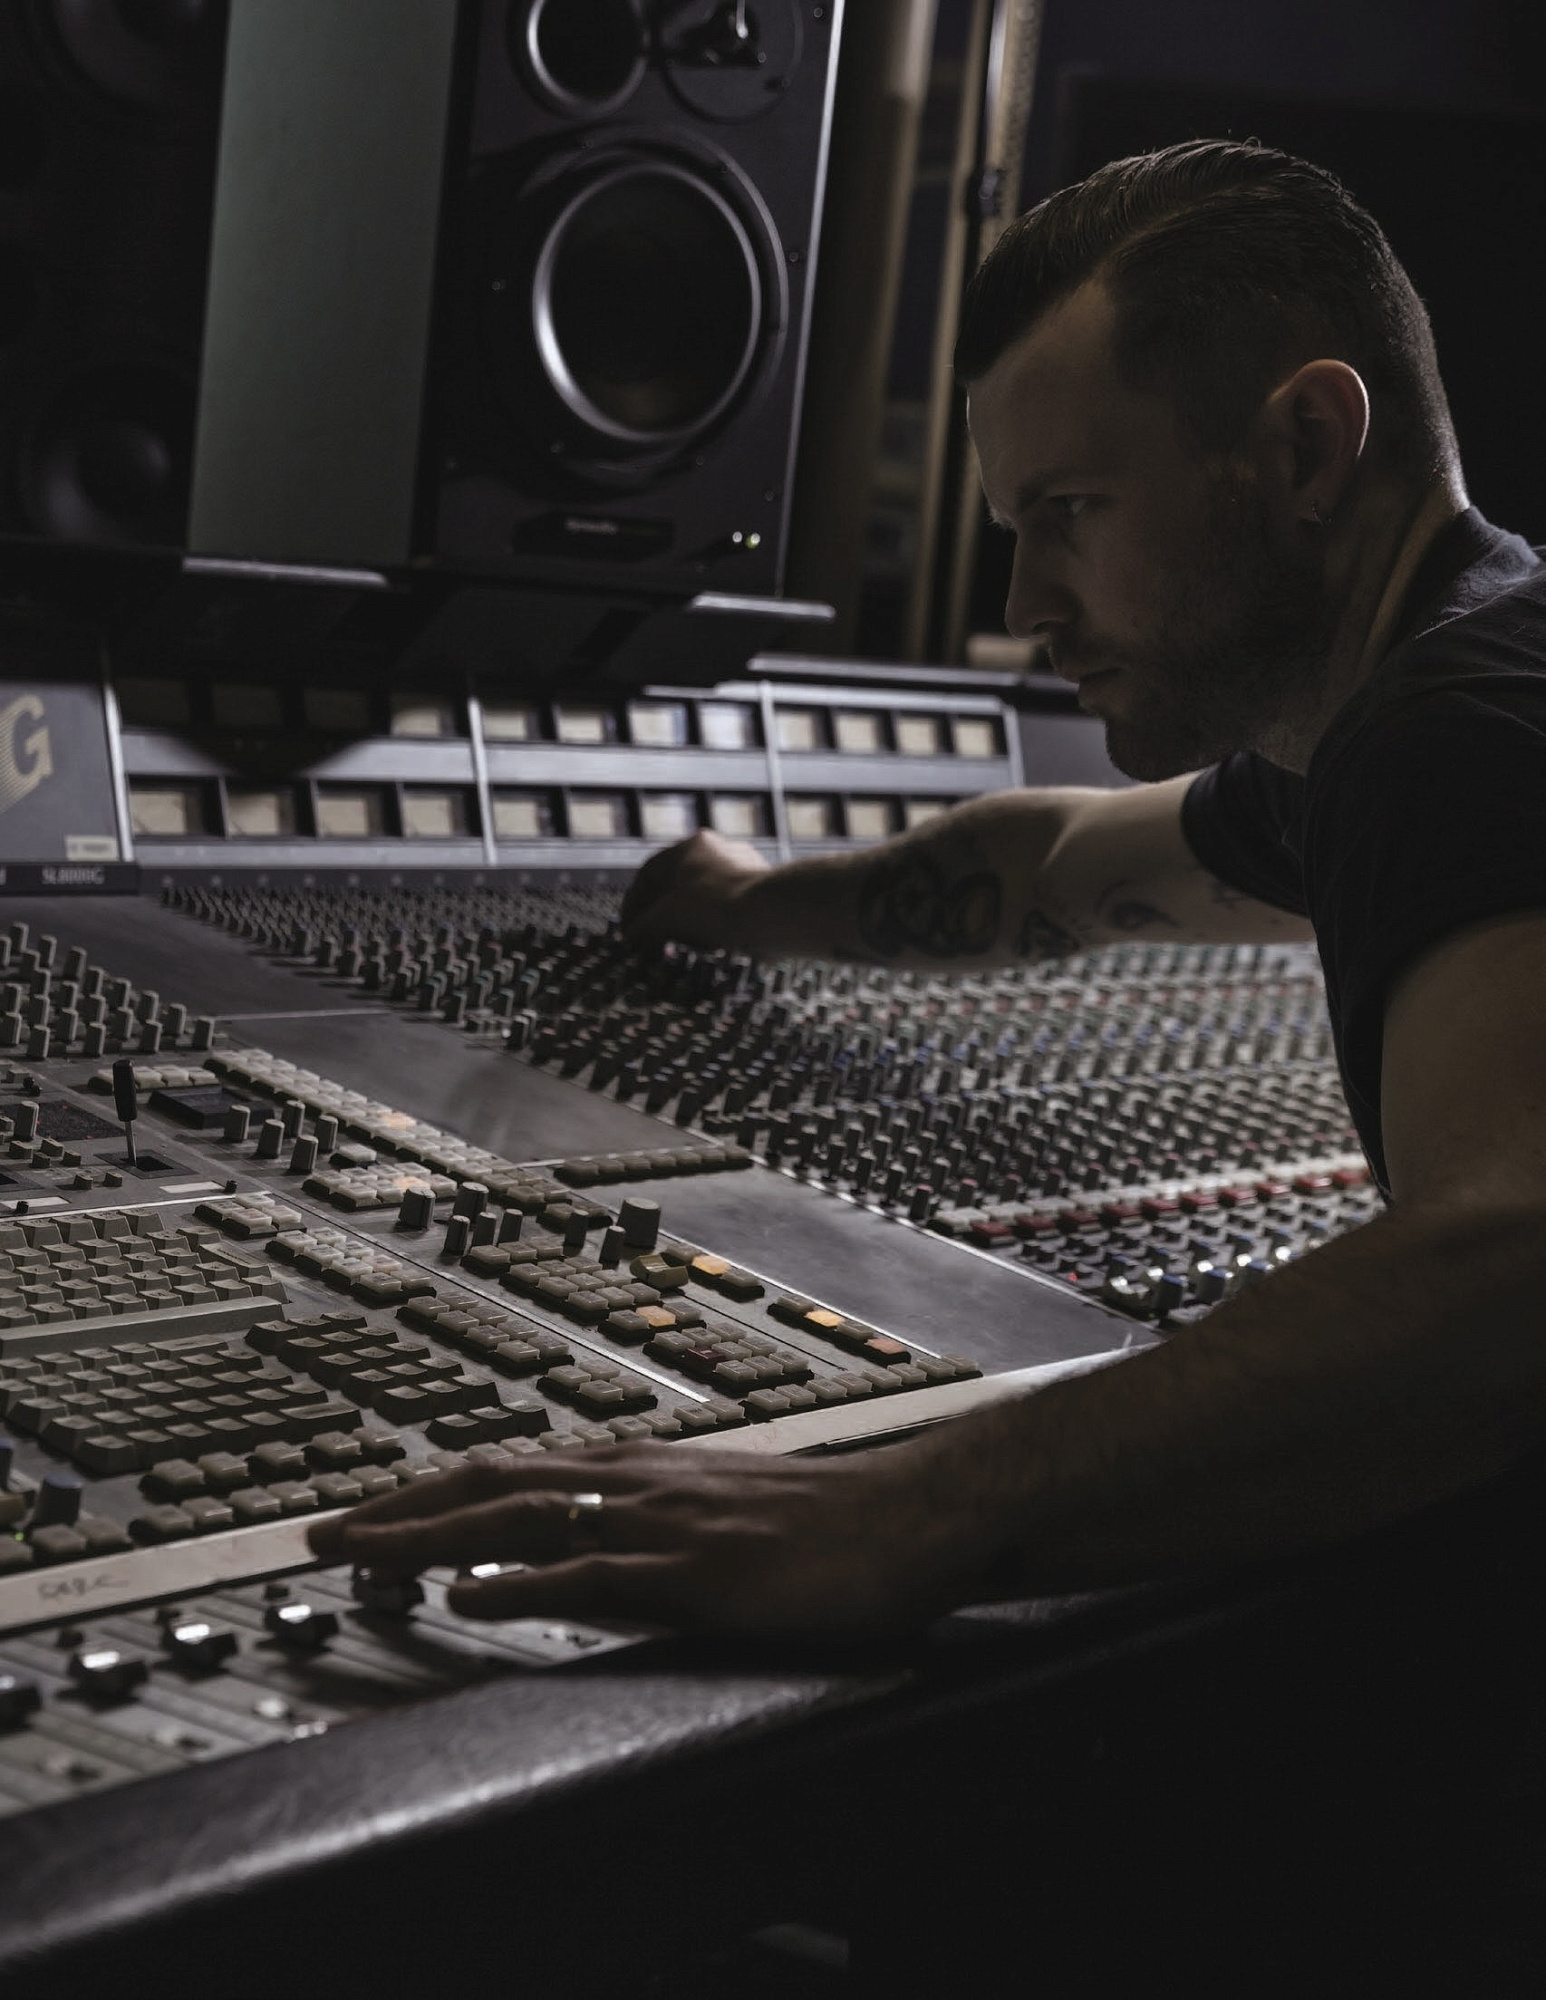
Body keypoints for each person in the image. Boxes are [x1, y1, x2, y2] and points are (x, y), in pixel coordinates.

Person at [310, 140, 1546, 1641]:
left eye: (1072, 511)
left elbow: (1506, 1263)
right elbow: (1058, 867)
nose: (1026, 604)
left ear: (1303, 447)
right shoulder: (1414, 706)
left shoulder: (1456, 735)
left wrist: (908, 1507)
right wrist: (752, 904)